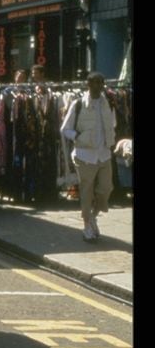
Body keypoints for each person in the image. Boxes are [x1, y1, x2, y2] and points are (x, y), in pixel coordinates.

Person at [61, 71, 116, 242]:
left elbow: (112, 123)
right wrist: (79, 137)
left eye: (101, 83)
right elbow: (65, 129)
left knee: (106, 188)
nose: (99, 87)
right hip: (85, 156)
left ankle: (93, 215)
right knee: (87, 193)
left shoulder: (108, 103)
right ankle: (87, 227)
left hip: (104, 154)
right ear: (88, 85)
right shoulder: (78, 104)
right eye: (95, 83)